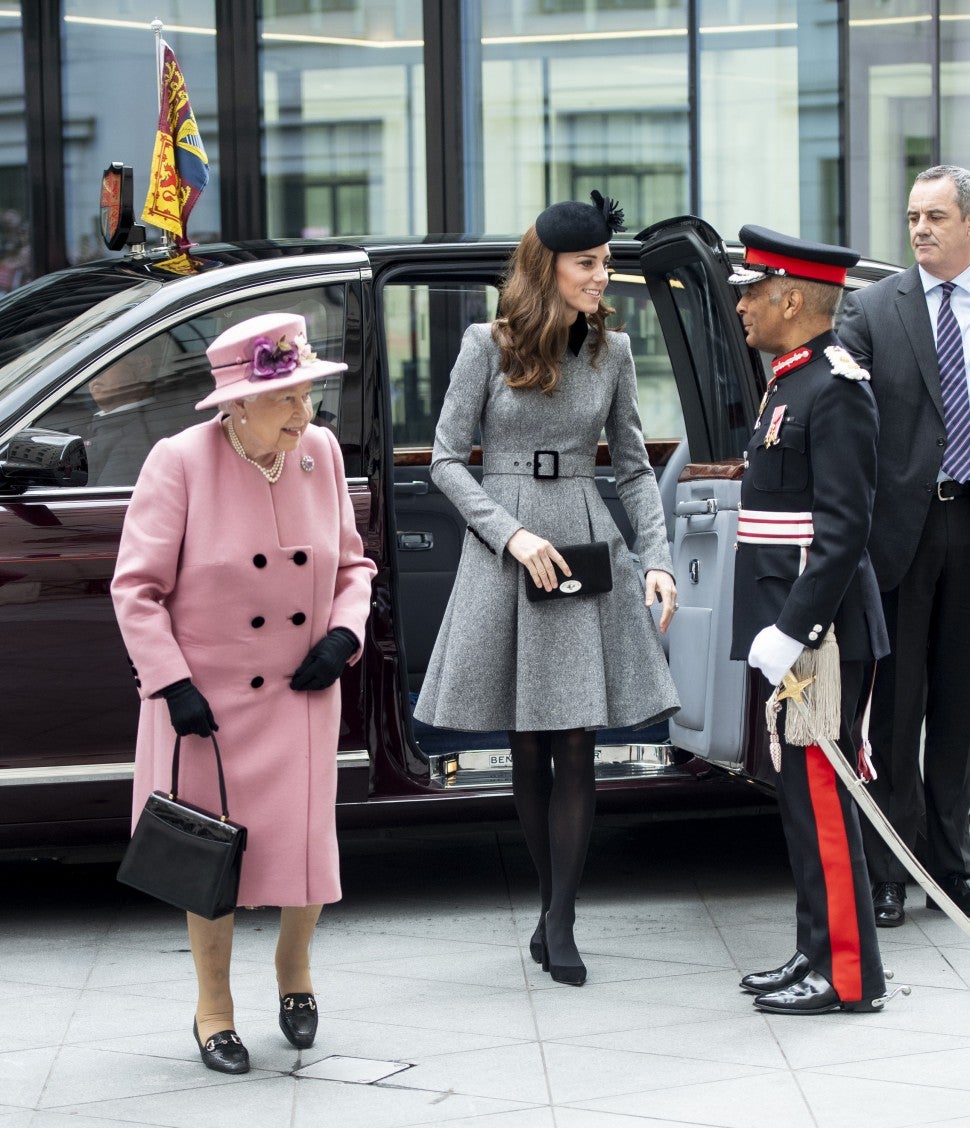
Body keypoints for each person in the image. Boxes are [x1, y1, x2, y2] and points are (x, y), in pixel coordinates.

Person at [414, 191, 680, 987]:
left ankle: (561, 917)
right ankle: (547, 900)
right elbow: (444, 460)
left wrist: (657, 557)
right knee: (526, 742)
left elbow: (632, 468)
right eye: (587, 264)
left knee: (575, 738)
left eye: (605, 263)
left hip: (585, 539)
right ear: (548, 267)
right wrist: (510, 534)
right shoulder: (485, 345)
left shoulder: (613, 351)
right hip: (509, 546)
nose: (601, 276)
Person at [111, 312, 377, 1073]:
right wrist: (172, 685)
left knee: (304, 848)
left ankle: (295, 974)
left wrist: (344, 635)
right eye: (286, 398)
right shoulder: (179, 462)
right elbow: (136, 591)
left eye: (307, 394)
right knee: (212, 859)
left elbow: (353, 567)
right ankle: (214, 1010)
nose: (304, 412)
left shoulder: (319, 453)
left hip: (300, 693)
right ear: (235, 404)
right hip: (208, 705)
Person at [728, 226, 889, 1014]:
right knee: (799, 801)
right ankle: (815, 950)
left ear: (792, 299)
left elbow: (843, 529)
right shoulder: (790, 381)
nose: (742, 305)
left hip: (821, 635)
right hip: (792, 631)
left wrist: (794, 628)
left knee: (823, 799)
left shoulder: (836, 387)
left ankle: (848, 976)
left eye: (753, 292)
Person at [839, 165, 970, 928]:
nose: (919, 228)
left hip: (969, 525)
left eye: (936, 217)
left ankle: (954, 865)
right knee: (895, 707)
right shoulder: (871, 309)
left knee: (960, 705)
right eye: (913, 216)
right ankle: (889, 869)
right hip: (900, 534)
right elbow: (843, 417)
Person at [84, 348, 170, 485]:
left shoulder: (137, 441)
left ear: (142, 365)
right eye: (90, 365)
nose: (93, 372)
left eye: (105, 362)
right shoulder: (105, 424)